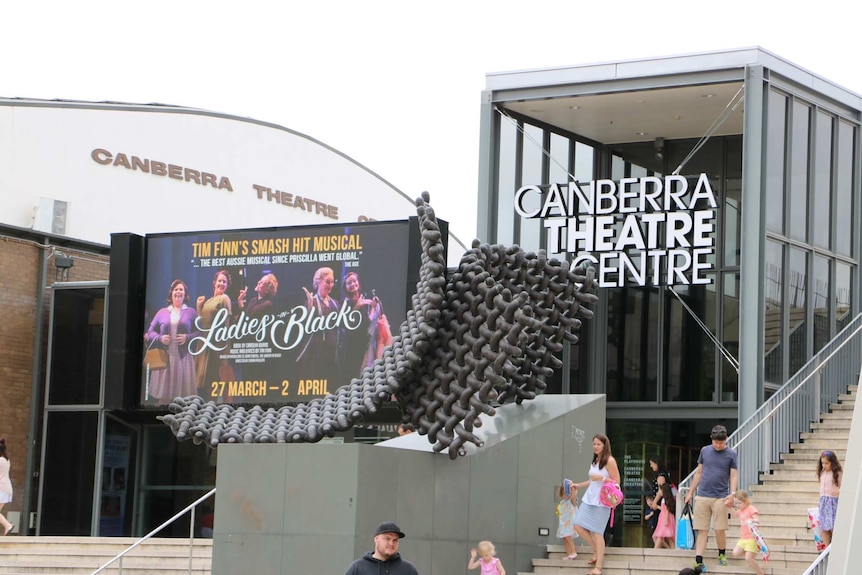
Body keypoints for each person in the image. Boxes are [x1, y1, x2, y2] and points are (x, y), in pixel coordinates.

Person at [684, 424, 739, 571]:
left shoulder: (731, 454)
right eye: (715, 442)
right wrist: (690, 492)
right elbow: (699, 473)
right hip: (703, 495)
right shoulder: (705, 451)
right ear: (712, 439)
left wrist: (732, 494)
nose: (718, 445)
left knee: (720, 529)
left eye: (721, 442)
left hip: (721, 496)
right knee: (702, 529)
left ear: (726, 439)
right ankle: (698, 559)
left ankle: (721, 554)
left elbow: (733, 475)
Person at [572, 433, 621, 575]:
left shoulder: (609, 461)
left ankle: (598, 567)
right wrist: (578, 485)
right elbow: (592, 480)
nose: (596, 446)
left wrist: (603, 478)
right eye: (594, 444)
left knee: (597, 532)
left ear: (605, 445)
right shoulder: (595, 460)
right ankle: (596, 549)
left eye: (598, 444)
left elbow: (617, 481)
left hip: (602, 501)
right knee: (577, 525)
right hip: (589, 499)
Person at [145, 279, 199, 403]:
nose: (178, 292)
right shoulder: (162, 312)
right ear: (171, 293)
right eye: (176, 289)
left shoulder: (191, 312)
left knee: (184, 399)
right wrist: (160, 338)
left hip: (183, 359)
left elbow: (201, 332)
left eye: (181, 289)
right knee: (164, 398)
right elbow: (150, 332)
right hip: (165, 359)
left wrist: (188, 337)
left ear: (185, 294)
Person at [340, 272, 392, 379]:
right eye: (349, 283)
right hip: (352, 345)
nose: (353, 284)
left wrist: (373, 306)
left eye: (354, 281)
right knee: (354, 372)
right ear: (345, 287)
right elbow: (343, 322)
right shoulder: (346, 303)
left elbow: (368, 321)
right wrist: (357, 306)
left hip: (364, 342)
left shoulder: (362, 300)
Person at [296, 267, 340, 379]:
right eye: (327, 282)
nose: (330, 285)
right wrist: (310, 307)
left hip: (333, 353)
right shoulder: (311, 302)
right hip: (316, 354)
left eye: (332, 282)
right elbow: (306, 326)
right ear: (318, 282)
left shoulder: (335, 303)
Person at [195, 269, 234, 390]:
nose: (221, 283)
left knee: (213, 380)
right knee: (202, 381)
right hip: (203, 342)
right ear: (214, 282)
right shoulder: (208, 301)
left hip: (215, 344)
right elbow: (200, 322)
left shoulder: (224, 298)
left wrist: (224, 349)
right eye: (220, 281)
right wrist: (198, 306)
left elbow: (226, 323)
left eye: (224, 282)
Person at [344, 521, 418, 575]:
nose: (391, 544)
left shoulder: (408, 570)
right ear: (376, 539)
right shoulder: (357, 568)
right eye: (387, 539)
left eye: (395, 540)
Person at [728, 490, 764, 575]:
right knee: (735, 553)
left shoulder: (751, 508)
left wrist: (751, 520)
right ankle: (752, 556)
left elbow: (757, 521)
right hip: (743, 538)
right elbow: (734, 515)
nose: (737, 506)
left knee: (748, 558)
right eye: (736, 503)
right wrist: (729, 507)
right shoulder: (741, 510)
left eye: (739, 503)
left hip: (751, 538)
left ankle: (760, 572)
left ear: (746, 501)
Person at [817, 449, 842, 546]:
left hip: (833, 502)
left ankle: (836, 545)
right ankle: (826, 547)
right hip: (824, 501)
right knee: (824, 526)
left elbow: (843, 487)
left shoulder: (837, 473)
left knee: (833, 524)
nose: (824, 465)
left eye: (827, 463)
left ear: (832, 463)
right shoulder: (823, 473)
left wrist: (838, 492)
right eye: (822, 463)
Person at [647, 455, 672, 531]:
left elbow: (661, 490)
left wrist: (654, 502)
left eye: (652, 464)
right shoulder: (663, 474)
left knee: (658, 531)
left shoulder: (661, 476)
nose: (651, 466)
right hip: (660, 503)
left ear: (656, 463)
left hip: (660, 504)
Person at [556, 479, 578, 560]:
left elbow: (574, 498)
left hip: (569, 522)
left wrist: (573, 490)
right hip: (563, 522)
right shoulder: (562, 502)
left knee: (568, 536)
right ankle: (569, 554)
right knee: (564, 537)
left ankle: (573, 551)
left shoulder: (571, 501)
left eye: (567, 492)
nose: (566, 495)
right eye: (564, 493)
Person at [652, 481, 676, 549]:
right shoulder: (667, 500)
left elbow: (667, 510)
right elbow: (665, 509)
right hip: (665, 517)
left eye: (660, 490)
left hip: (665, 518)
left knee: (661, 535)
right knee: (669, 538)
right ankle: (673, 550)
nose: (659, 492)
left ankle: (654, 551)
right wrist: (658, 507)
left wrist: (666, 520)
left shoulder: (664, 500)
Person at [0, 439, 13, 535]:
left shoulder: (1, 461)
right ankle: (7, 525)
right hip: (6, 488)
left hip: (2, 488)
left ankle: (8, 525)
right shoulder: (7, 460)